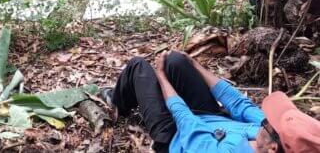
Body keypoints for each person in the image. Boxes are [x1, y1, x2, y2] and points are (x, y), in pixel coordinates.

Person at [101, 50, 320, 152]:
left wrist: (161, 76)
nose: (265, 120)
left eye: (268, 123)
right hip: (211, 119)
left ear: (273, 148)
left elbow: (187, 124)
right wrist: (194, 64)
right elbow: (239, 104)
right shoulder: (271, 135)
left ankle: (117, 101)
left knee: (139, 67)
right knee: (177, 61)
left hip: (175, 136)